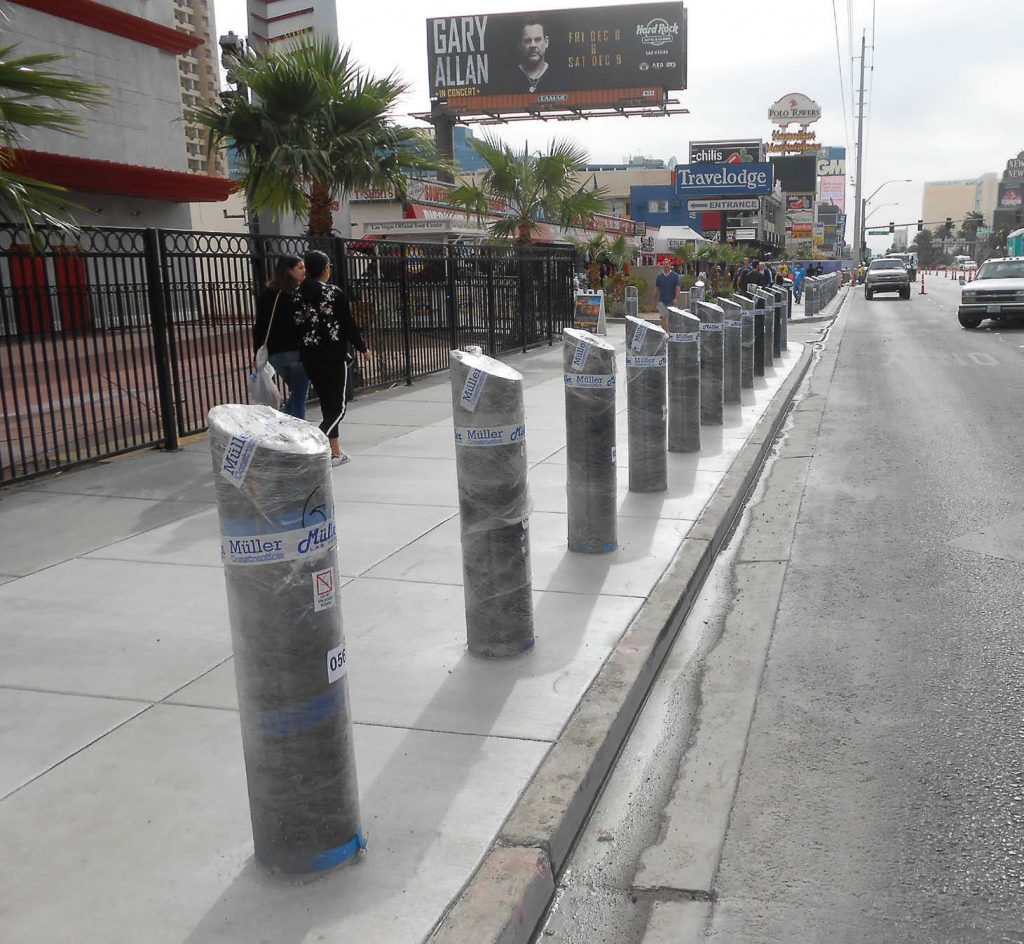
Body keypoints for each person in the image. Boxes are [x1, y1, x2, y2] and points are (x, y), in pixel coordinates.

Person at [297, 250, 368, 467]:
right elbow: (347, 324)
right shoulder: (333, 293)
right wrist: (362, 347)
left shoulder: (296, 294)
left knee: (328, 405)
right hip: (333, 355)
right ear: (325, 268)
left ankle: (335, 453)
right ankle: (314, 444)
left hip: (309, 356)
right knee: (338, 408)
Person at [252, 255, 309, 419]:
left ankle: (287, 420)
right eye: (300, 267)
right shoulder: (298, 296)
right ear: (289, 270)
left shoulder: (267, 295)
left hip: (275, 354)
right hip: (297, 353)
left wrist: (256, 353)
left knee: (297, 391)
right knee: (299, 395)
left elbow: (260, 328)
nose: (304, 271)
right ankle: (296, 431)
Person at [516, 19, 552, 92]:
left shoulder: (561, 77)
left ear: (546, 42)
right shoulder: (507, 78)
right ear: (520, 44)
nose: (533, 45)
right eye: (527, 40)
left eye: (537, 40)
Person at [652, 259, 681, 330]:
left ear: (670, 265)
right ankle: (665, 333)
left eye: (666, 264)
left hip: (672, 300)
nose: (665, 266)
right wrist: (654, 302)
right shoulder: (659, 277)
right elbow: (656, 290)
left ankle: (671, 333)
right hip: (662, 300)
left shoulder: (675, 276)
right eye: (664, 264)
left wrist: (676, 298)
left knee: (671, 318)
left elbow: (677, 288)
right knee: (663, 317)